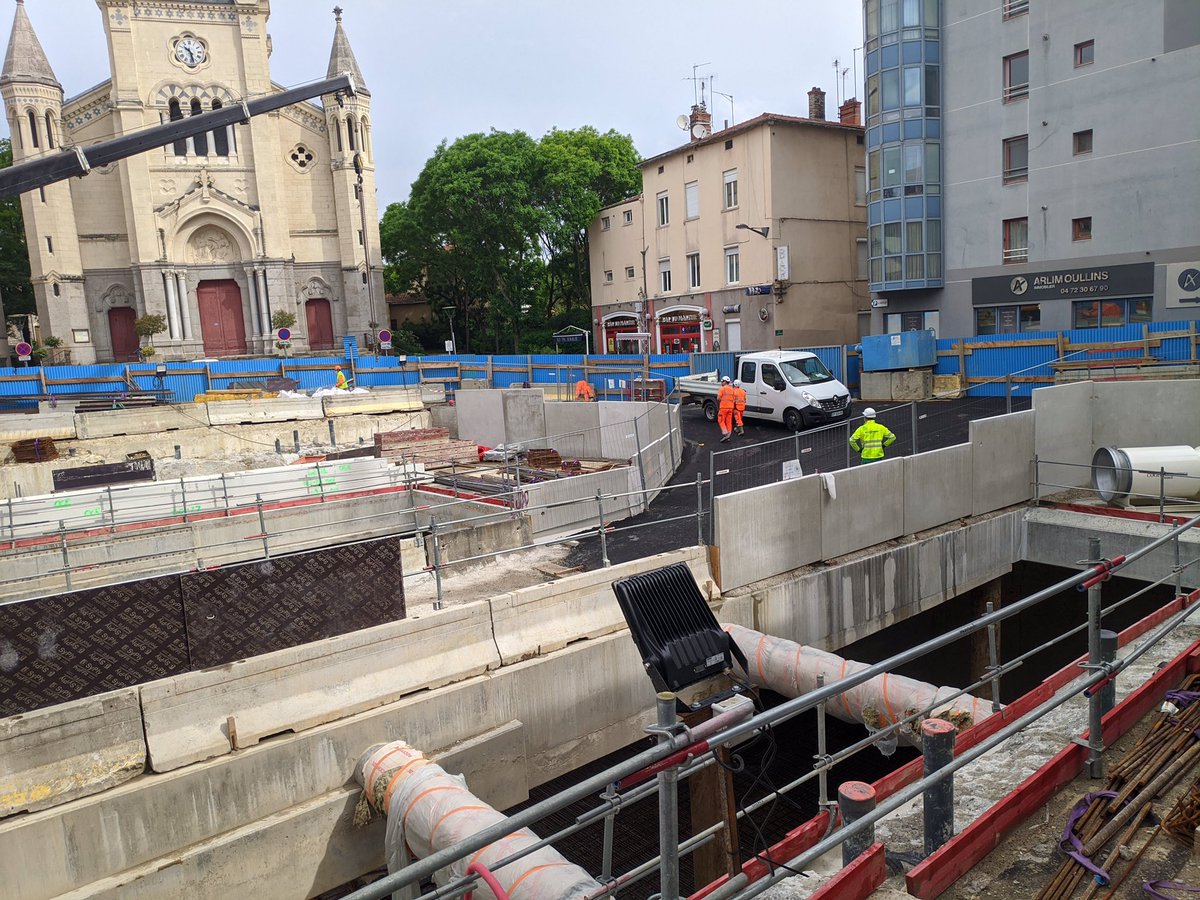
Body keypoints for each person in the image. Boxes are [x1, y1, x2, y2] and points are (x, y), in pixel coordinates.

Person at [717, 375, 736, 442]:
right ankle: (728, 435)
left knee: (720, 420)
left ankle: (725, 433)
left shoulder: (722, 389)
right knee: (728, 422)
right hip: (730, 408)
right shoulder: (732, 389)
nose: (721, 383)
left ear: (725, 382)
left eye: (722, 381)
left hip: (723, 408)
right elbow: (734, 399)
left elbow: (718, 398)